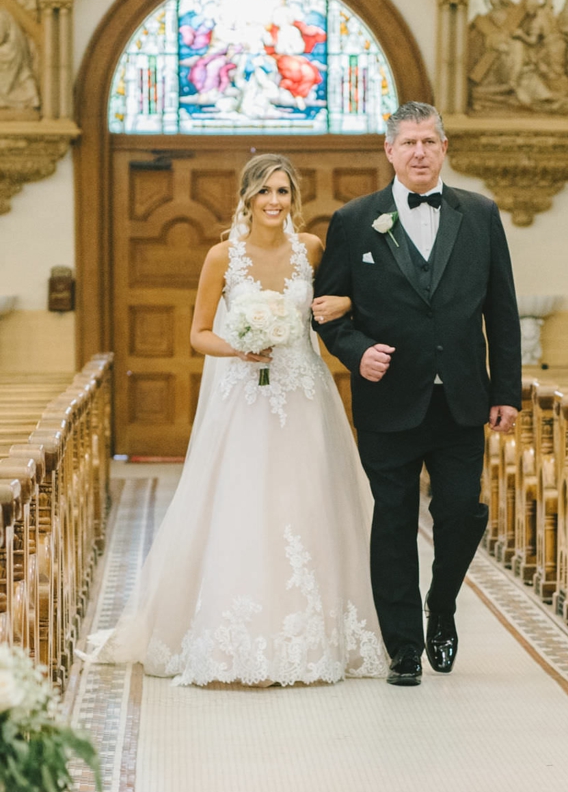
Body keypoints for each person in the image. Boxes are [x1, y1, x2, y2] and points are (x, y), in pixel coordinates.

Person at [84, 153, 386, 687]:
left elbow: (339, 306)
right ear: (247, 197)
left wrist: (339, 306)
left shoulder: (312, 250)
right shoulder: (223, 256)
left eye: (284, 192)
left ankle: (316, 639)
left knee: (307, 500)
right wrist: (238, 347)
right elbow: (199, 333)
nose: (275, 201)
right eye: (265, 191)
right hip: (245, 397)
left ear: (294, 198)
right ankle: (238, 640)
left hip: (303, 395)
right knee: (245, 503)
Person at [314, 102, 521, 686]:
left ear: (445, 147)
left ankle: (443, 607)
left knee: (461, 513)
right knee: (393, 521)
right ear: (389, 151)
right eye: (408, 143)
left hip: (461, 398)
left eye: (429, 141)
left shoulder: (478, 214)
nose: (420, 152)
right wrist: (356, 352)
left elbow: (502, 311)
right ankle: (402, 645)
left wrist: (506, 390)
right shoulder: (356, 220)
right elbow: (327, 311)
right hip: (389, 401)